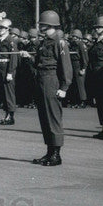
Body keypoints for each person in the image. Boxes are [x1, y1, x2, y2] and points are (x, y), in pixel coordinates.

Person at [31, 11, 73, 166]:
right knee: (44, 117)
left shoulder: (59, 42)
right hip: (41, 79)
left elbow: (66, 67)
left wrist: (64, 86)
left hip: (51, 80)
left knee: (53, 118)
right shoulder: (44, 42)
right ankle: (49, 152)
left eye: (42, 24)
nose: (40, 26)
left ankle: (56, 154)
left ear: (49, 25)